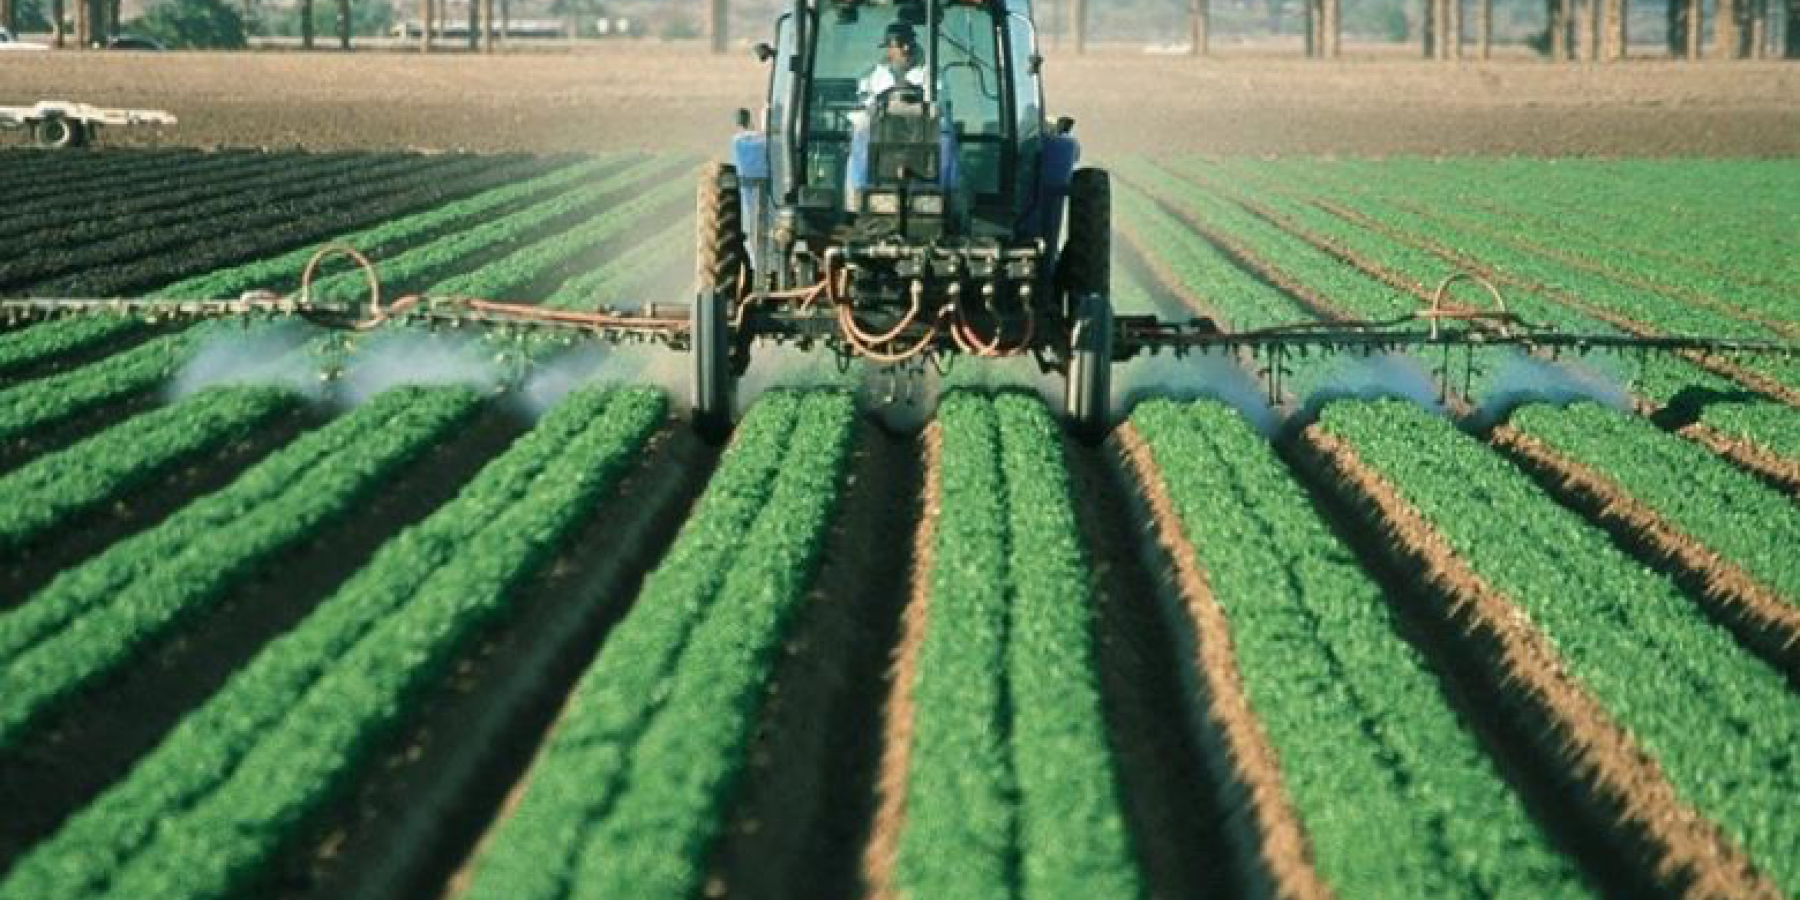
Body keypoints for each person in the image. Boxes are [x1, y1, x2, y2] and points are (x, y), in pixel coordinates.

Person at [858, 21, 927, 106]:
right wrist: (880, 99)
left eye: (891, 47)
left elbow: (940, 109)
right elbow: (861, 107)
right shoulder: (871, 75)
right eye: (888, 47)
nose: (889, 52)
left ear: (905, 47)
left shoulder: (931, 74)